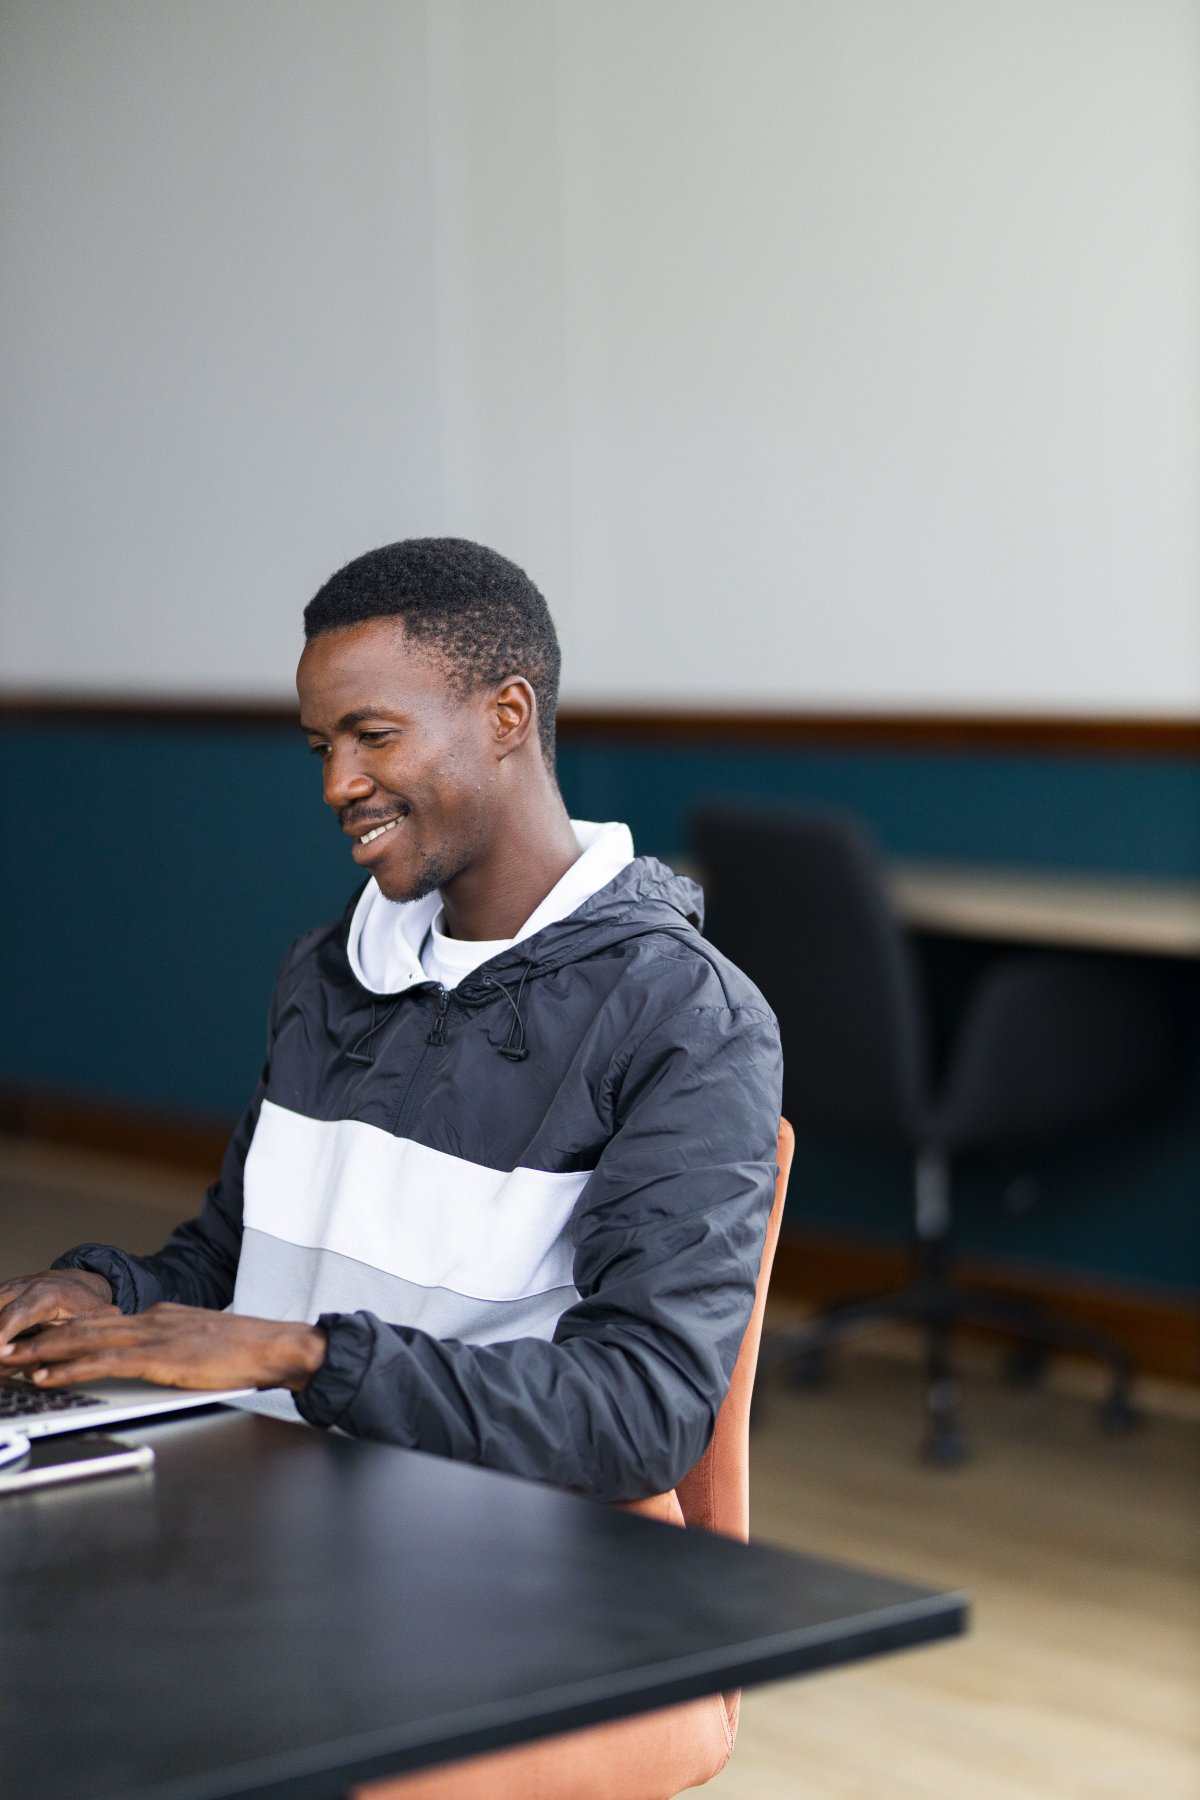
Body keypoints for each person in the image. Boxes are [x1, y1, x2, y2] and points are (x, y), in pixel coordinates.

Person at [0, 538, 782, 1503]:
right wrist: (106, 1296)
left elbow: (639, 1411)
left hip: (494, 1555)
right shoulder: (330, 971)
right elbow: (234, 1258)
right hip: (277, 1508)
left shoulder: (681, 1015)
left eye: (373, 736)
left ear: (506, 716)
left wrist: (303, 1357)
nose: (337, 785)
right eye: (324, 747)